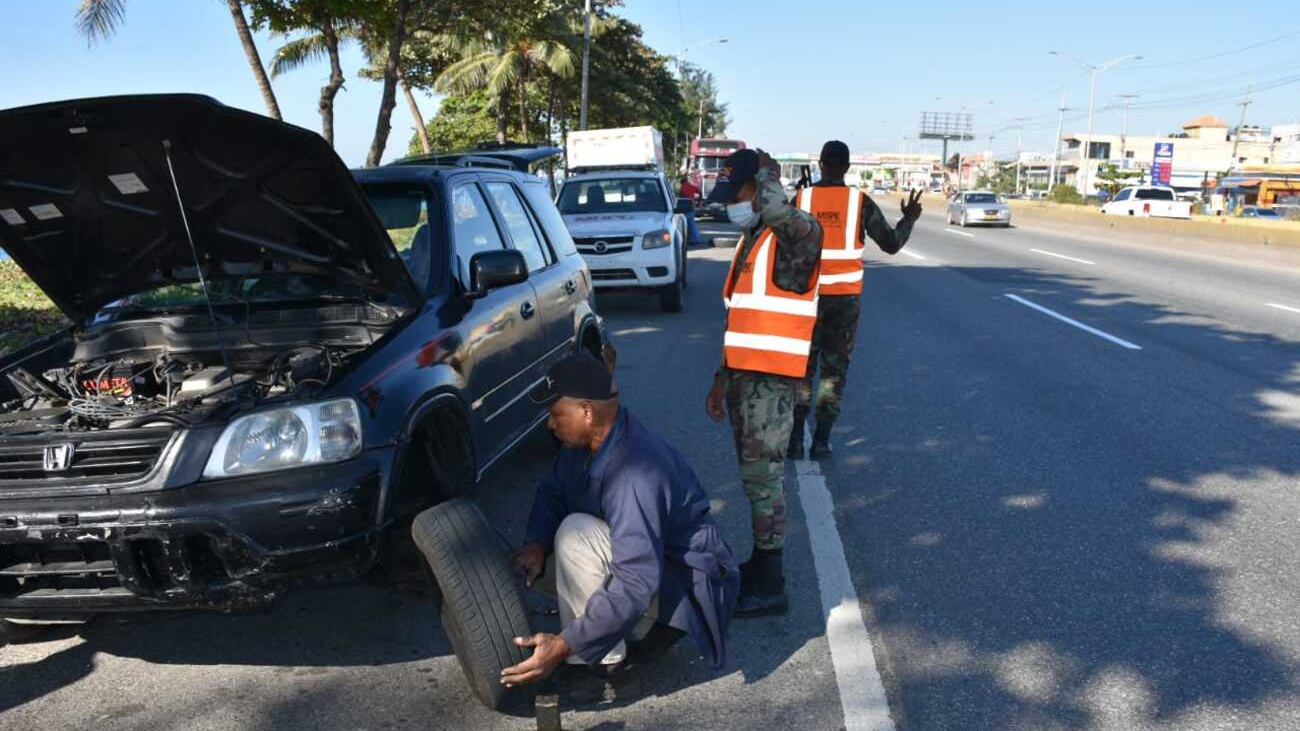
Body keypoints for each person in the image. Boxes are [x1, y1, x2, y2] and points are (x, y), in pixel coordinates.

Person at [502, 354, 739, 689]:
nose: (550, 425)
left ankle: (599, 665)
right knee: (544, 563)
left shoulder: (634, 476)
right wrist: (537, 544)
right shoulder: (585, 443)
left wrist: (566, 645)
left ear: (586, 411)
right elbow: (552, 492)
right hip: (646, 566)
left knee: (575, 536)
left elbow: (637, 578)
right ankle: (611, 630)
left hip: (678, 588)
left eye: (556, 415)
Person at [703, 148, 824, 617]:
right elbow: (741, 318)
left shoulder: (802, 235)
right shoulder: (753, 238)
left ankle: (771, 584)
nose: (734, 203)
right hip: (744, 377)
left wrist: (769, 177)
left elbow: (778, 210)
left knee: (764, 480)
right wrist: (720, 379)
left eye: (741, 192)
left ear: (764, 186)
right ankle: (761, 564)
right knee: (754, 480)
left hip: (773, 380)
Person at [788, 141, 923, 459]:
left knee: (801, 370)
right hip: (844, 303)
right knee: (834, 374)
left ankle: (794, 441)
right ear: (847, 168)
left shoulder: (801, 199)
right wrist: (909, 219)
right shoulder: (859, 202)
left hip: (806, 299)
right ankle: (821, 442)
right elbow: (890, 244)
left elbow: (780, 242)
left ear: (821, 163)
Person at [680, 177, 704, 247]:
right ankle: (694, 239)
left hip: (685, 206)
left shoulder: (683, 187)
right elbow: (699, 191)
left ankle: (691, 239)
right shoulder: (691, 186)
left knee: (686, 223)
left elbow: (681, 196)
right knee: (691, 223)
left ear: (682, 182)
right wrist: (699, 202)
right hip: (691, 205)